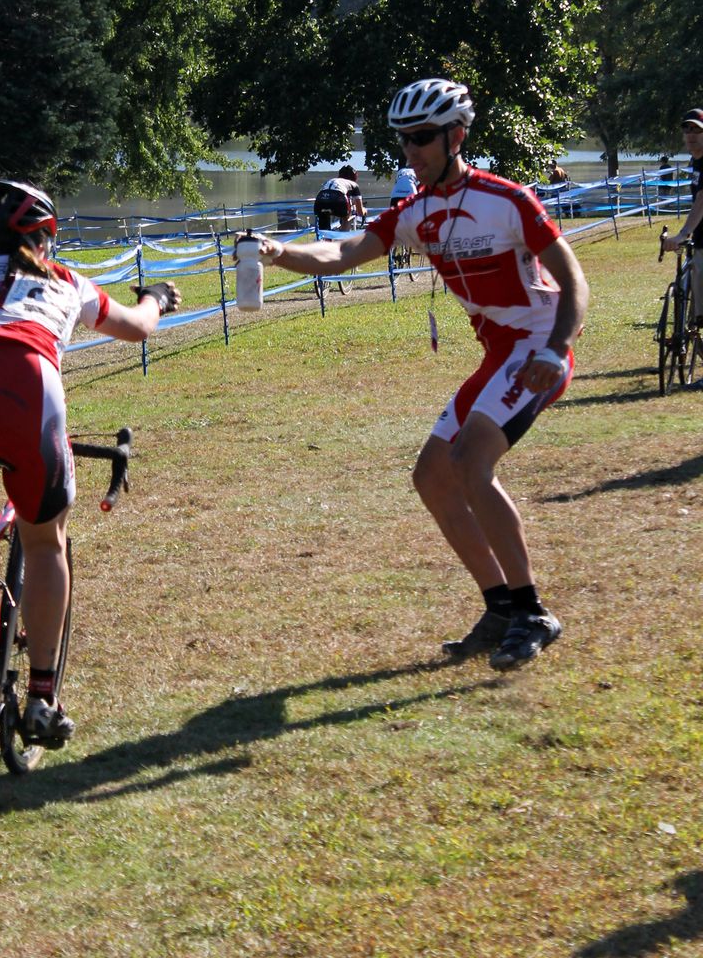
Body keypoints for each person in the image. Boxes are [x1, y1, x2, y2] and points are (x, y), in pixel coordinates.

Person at [256, 78, 589, 671]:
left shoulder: (508, 199)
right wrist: (280, 253)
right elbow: (343, 253)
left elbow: (574, 277)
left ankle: (532, 609)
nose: (411, 150)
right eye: (404, 140)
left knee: (469, 461)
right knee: (432, 478)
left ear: (456, 135)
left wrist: (557, 346)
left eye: (423, 138)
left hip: (538, 347)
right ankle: (499, 606)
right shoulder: (416, 210)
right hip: (498, 354)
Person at [0, 178, 180, 746]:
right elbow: (136, 328)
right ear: (46, 236)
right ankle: (40, 696)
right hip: (30, 396)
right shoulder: (64, 281)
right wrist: (155, 296)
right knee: (43, 541)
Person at [660, 110, 703, 322]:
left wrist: (683, 233)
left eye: (697, 130)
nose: (691, 134)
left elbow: (702, 201)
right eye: (687, 129)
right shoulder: (695, 161)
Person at [314, 165, 367, 229]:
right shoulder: (353, 184)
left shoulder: (331, 181)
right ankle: (343, 236)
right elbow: (360, 212)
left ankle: (325, 237)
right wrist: (365, 210)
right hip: (338, 199)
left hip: (320, 201)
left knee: (324, 224)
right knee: (347, 216)